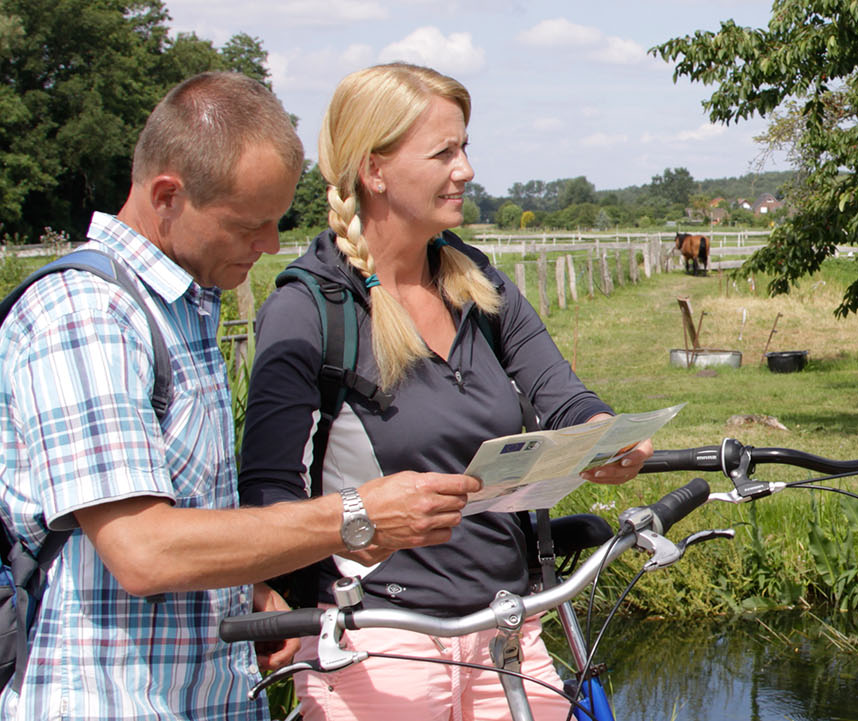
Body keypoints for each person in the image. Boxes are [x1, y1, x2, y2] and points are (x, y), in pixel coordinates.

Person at [0, 72, 483, 721]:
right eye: (249, 224)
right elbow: (143, 549)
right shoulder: (86, 316)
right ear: (167, 195)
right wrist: (353, 514)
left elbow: (184, 510)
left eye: (278, 221)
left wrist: (247, 587)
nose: (270, 246)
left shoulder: (184, 308)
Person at [238, 62, 651, 721]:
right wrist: (268, 594)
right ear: (375, 170)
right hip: (376, 637)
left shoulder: (477, 282)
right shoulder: (311, 307)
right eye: (444, 152)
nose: (465, 168)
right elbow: (265, 488)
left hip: (510, 626)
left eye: (465, 147)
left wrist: (608, 435)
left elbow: (564, 395)